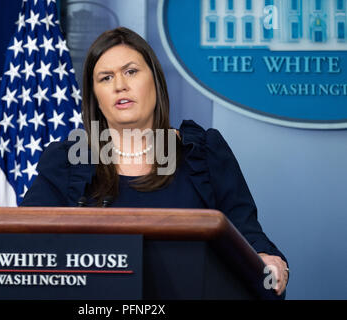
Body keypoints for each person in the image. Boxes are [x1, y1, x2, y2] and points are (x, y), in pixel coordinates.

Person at [21, 27, 289, 296]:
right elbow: (24, 246)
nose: (119, 85)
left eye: (131, 71)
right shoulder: (66, 163)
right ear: (96, 99)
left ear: (155, 82)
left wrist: (268, 261)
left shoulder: (203, 154)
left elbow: (250, 238)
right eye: (105, 78)